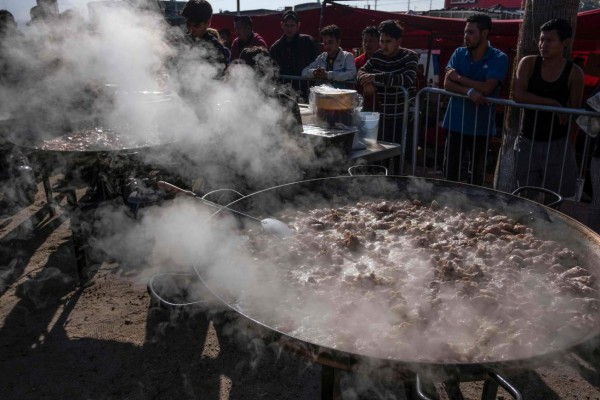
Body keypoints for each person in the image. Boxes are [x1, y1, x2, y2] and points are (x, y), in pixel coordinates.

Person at [513, 18, 584, 197]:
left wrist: (569, 145)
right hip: (527, 140)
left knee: (554, 198)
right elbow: (519, 95)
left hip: (558, 143)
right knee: (525, 195)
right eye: (541, 39)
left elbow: (575, 112)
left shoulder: (574, 73)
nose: (543, 44)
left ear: (565, 43)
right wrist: (552, 103)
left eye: (550, 40)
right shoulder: (528, 63)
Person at [442, 14, 508, 186]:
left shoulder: (499, 58)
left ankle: (474, 212)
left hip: (481, 127)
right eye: (465, 32)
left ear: (485, 33)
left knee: (476, 179)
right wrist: (470, 91)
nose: (466, 36)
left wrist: (459, 78)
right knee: (450, 174)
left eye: (471, 32)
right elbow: (447, 83)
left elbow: (488, 88)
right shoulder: (459, 53)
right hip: (455, 123)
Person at [357, 20, 418, 145]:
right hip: (384, 115)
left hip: (404, 116)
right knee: (384, 149)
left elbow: (407, 80)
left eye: (388, 41)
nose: (384, 45)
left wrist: (375, 78)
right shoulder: (377, 56)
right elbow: (361, 71)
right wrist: (366, 81)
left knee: (401, 153)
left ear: (399, 41)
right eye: (381, 41)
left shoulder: (410, 56)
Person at [176, 0, 229, 72]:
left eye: (196, 25)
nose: (191, 29)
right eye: (188, 24)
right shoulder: (180, 43)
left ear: (208, 22)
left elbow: (218, 80)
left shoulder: (217, 50)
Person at [269, 10, 319, 78]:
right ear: (282, 25)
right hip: (283, 87)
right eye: (286, 25)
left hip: (307, 86)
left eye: (292, 25)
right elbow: (272, 70)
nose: (289, 29)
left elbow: (318, 64)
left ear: (298, 25)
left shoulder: (308, 42)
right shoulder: (275, 48)